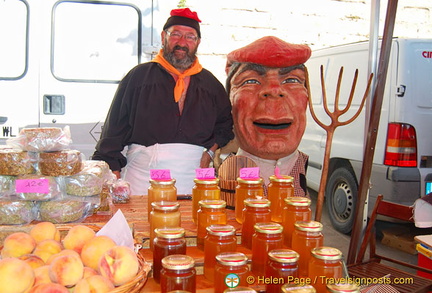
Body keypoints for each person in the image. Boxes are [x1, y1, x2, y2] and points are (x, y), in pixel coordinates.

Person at [92, 8, 234, 195]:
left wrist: (209, 152)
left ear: (198, 42)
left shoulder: (211, 84)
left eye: (190, 37)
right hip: (144, 177)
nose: (182, 42)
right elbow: (113, 133)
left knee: (198, 222)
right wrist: (113, 179)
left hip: (197, 178)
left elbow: (225, 126)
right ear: (163, 37)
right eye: (175, 34)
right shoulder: (138, 77)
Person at [225, 36, 311, 196]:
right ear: (229, 102)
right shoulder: (224, 182)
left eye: (292, 80)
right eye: (250, 81)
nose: (274, 90)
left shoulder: (299, 171)